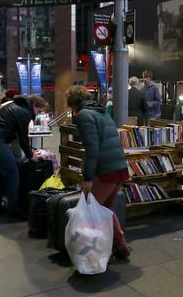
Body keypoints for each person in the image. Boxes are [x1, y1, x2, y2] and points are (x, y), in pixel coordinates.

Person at [66, 85, 131, 260]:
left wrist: (87, 178)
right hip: (119, 167)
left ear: (72, 104)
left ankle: (103, 252)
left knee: (91, 212)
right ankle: (120, 245)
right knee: (105, 209)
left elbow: (92, 149)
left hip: (105, 171)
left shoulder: (84, 116)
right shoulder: (101, 112)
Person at [0, 94, 48, 220]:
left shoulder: (13, 104)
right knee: (13, 177)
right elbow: (23, 138)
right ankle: (14, 213)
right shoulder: (24, 111)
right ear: (34, 105)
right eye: (38, 111)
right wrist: (30, 155)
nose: (38, 114)